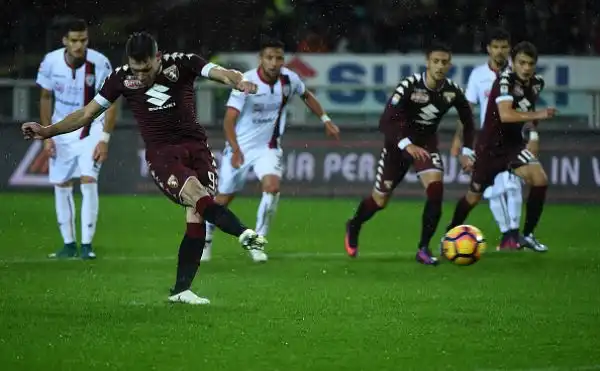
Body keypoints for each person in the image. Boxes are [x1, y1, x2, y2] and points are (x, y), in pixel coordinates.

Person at [22, 32, 267, 305]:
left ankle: (181, 290)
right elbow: (86, 113)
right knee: (198, 197)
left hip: (197, 148)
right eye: (136, 69)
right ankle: (243, 232)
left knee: (197, 215)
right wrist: (48, 131)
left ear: (157, 57)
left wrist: (241, 81)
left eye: (146, 69)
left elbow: (222, 73)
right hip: (163, 154)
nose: (140, 76)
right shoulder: (120, 78)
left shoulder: (183, 63)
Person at [203, 38, 340, 263]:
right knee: (223, 199)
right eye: (269, 58)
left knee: (272, 187)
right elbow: (229, 121)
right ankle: (206, 239)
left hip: (268, 148)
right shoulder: (245, 81)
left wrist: (325, 119)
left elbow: (306, 95)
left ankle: (257, 242)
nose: (274, 63)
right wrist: (236, 150)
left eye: (278, 58)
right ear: (261, 59)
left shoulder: (289, 79)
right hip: (240, 147)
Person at [344, 41, 476, 266]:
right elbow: (386, 121)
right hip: (397, 146)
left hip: (425, 145)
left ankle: (423, 248)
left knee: (436, 190)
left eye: (444, 62)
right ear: (427, 62)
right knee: (380, 200)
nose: (440, 66)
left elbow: (468, 120)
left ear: (450, 65)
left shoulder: (452, 91)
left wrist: (467, 151)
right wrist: (406, 144)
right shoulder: (410, 85)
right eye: (436, 61)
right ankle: (354, 225)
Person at [445, 41, 555, 253]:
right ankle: (449, 233)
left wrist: (533, 134)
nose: (526, 68)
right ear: (513, 62)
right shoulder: (504, 80)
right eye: (521, 63)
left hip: (513, 146)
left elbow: (527, 109)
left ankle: (528, 235)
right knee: (473, 196)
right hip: (490, 149)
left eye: (530, 63)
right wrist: (539, 114)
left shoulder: (536, 83)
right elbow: (506, 114)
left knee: (539, 179)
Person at [36, 18, 116, 260]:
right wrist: (47, 134)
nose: (79, 45)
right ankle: (69, 245)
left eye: (83, 40)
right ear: (65, 41)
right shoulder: (50, 62)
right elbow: (45, 97)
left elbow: (112, 102)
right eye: (74, 40)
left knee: (88, 178)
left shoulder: (100, 63)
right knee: (61, 184)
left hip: (90, 129)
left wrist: (104, 138)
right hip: (62, 129)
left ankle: (87, 245)